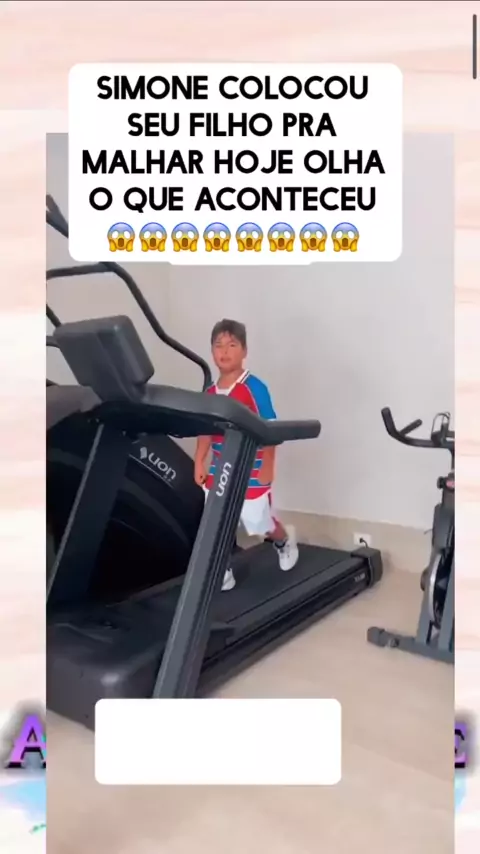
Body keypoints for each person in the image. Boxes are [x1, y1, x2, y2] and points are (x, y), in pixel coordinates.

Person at [194, 318, 298, 591]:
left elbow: (270, 429)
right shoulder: (210, 393)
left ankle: (282, 540)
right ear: (212, 351)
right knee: (216, 521)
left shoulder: (254, 387)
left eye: (232, 345)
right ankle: (222, 568)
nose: (224, 351)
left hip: (252, 466)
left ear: (244, 351)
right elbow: (205, 431)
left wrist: (268, 466)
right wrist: (199, 461)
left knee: (259, 523)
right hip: (220, 467)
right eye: (218, 346)